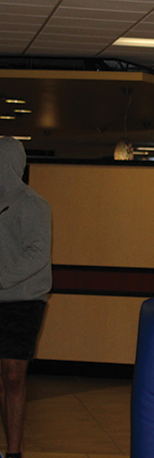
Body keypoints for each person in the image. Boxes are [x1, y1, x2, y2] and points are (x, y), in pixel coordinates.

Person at [0, 137, 52, 458]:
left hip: (24, 300)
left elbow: (38, 255)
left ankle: (15, 452)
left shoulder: (32, 204)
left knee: (13, 375)